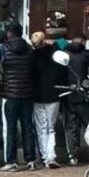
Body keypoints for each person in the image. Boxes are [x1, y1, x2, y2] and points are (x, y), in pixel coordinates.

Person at [0, 24, 37, 172]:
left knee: (10, 128)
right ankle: (30, 159)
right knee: (28, 127)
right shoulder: (30, 49)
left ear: (9, 33)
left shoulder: (4, 48)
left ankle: (11, 161)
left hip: (10, 94)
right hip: (27, 94)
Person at [31, 32, 67, 169]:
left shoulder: (32, 56)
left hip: (37, 95)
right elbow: (62, 72)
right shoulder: (55, 54)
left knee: (41, 128)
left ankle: (45, 156)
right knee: (51, 128)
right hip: (53, 94)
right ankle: (51, 156)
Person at [61, 35, 89, 166]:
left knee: (71, 126)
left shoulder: (65, 54)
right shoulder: (86, 56)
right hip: (82, 94)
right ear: (83, 42)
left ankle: (73, 156)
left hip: (68, 93)